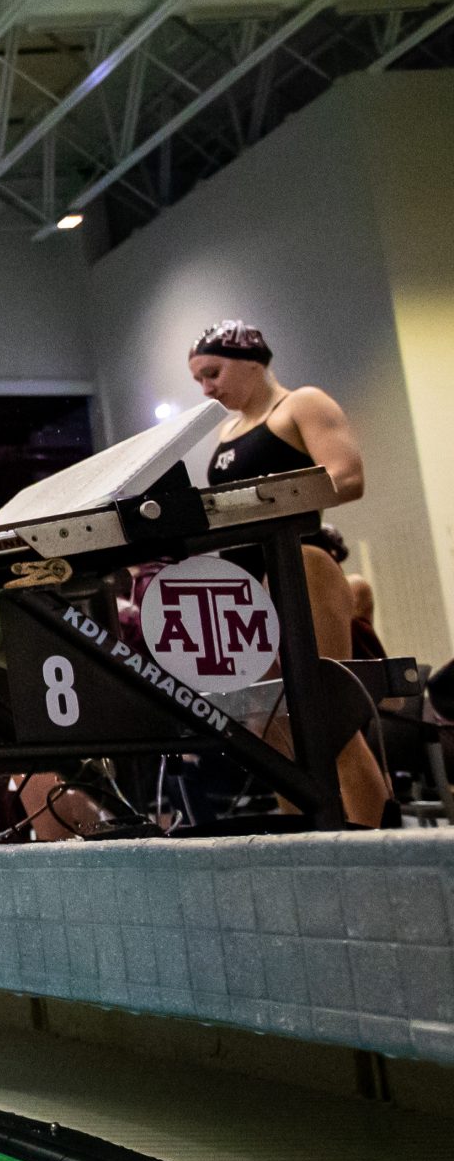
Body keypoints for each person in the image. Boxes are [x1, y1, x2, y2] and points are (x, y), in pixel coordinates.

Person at [188, 318, 388, 827]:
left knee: (327, 721)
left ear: (251, 361)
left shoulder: (300, 405)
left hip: (301, 566)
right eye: (199, 380)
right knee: (272, 730)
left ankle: (376, 846)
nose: (208, 388)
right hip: (248, 586)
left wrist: (264, 500)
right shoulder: (228, 432)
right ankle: (306, 845)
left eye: (213, 373)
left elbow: (347, 476)